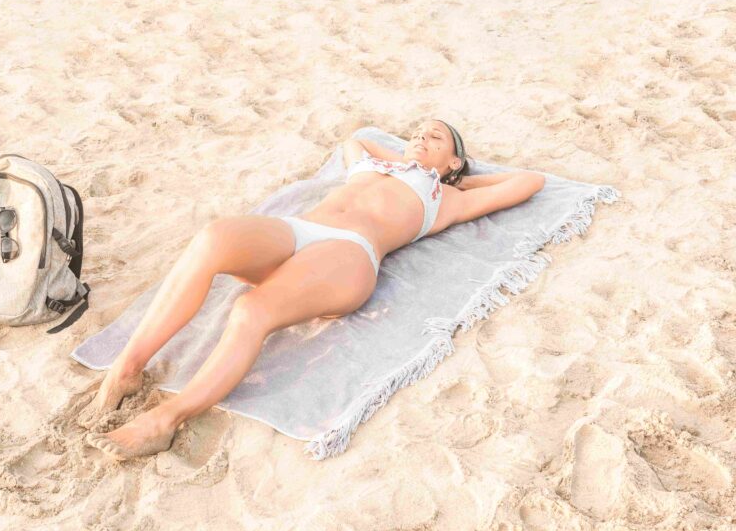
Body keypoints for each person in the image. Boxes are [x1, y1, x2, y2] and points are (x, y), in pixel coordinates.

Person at [80, 118, 546, 459]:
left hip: (348, 255)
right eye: (416, 133)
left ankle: (168, 419)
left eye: (435, 137)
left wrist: (449, 177)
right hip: (297, 231)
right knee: (212, 239)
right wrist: (404, 161)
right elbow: (354, 138)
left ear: (455, 159)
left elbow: (531, 180)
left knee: (252, 310)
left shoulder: (449, 199)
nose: (420, 138)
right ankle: (128, 367)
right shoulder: (372, 165)